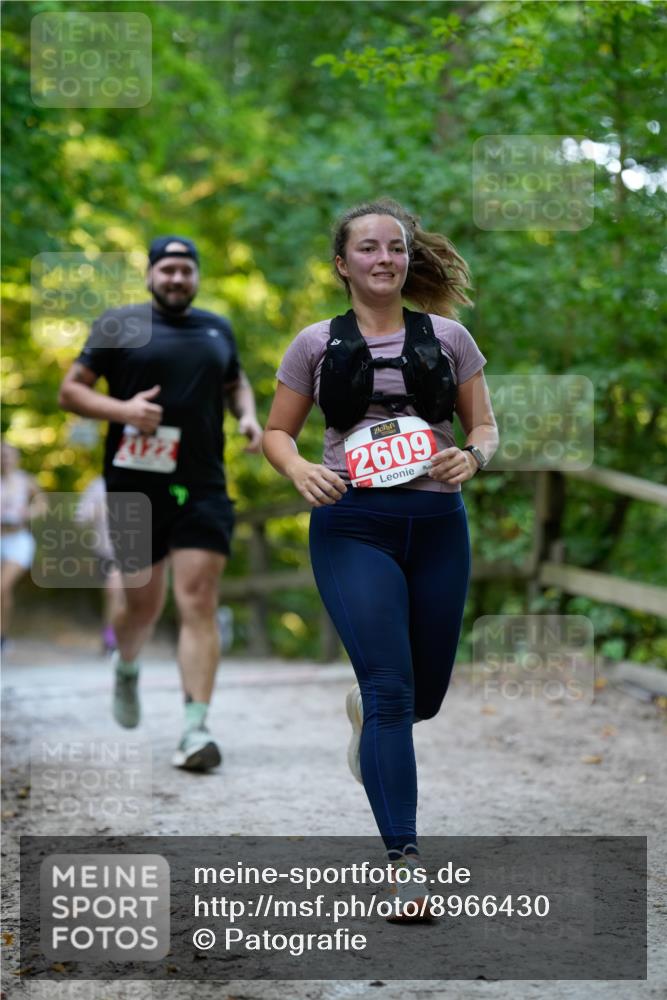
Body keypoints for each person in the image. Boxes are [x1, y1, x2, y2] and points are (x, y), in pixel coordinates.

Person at [263, 199, 499, 919]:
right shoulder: (314, 344)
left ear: (406, 257)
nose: (383, 259)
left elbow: (482, 423)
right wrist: (299, 469)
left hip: (436, 524)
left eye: (394, 247)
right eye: (367, 248)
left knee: (420, 698)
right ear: (342, 264)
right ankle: (404, 864)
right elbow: (277, 432)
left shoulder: (448, 337)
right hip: (352, 525)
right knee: (395, 692)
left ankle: (366, 711)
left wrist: (473, 456)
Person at [59, 236, 263, 771]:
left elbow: (235, 381)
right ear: (150, 274)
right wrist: (123, 409)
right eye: (167, 269)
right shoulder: (118, 325)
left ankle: (195, 729)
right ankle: (127, 667)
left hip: (201, 485)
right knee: (141, 605)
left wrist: (247, 416)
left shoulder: (218, 327)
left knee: (197, 599)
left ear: (196, 277)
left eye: (186, 270)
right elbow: (71, 392)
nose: (177, 278)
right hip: (133, 486)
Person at [74, 474, 125, 654]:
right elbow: (79, 518)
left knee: (114, 590)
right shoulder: (97, 485)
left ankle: (113, 639)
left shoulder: (141, 480)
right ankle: (112, 637)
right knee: (114, 595)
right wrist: (98, 510)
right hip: (104, 551)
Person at [0, 440, 40, 650]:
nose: (4, 459)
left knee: (2, 586)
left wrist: (30, 512)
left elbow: (42, 504)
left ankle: (2, 637)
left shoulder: (26, 481)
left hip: (18, 540)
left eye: (8, 455)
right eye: (1, 455)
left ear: (16, 458)